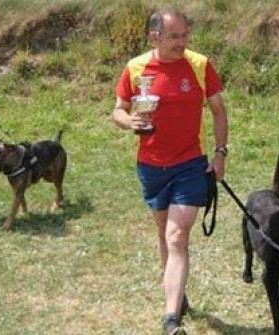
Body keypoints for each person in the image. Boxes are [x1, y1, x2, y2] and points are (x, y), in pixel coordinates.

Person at [110, 8, 228, 335]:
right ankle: (176, 294)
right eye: (174, 36)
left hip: (190, 164)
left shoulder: (200, 65)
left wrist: (219, 153)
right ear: (155, 37)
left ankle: (171, 320)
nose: (182, 42)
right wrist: (129, 121)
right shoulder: (136, 69)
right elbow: (117, 110)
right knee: (163, 233)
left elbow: (218, 112)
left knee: (178, 235)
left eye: (185, 35)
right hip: (150, 165)